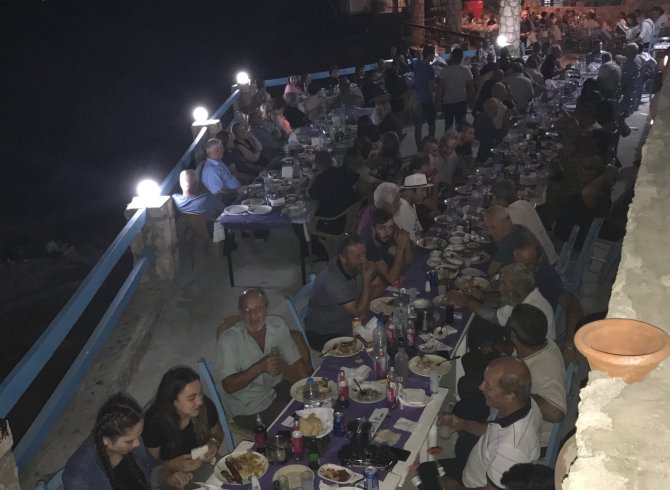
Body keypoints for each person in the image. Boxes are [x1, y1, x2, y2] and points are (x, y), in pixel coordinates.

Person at [429, 357, 542, 488]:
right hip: (481, 464)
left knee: (426, 474)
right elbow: (494, 431)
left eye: (488, 385)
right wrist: (463, 424)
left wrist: (454, 487)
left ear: (509, 395)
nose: (481, 387)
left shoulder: (511, 449)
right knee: (427, 470)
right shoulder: (524, 402)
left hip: (473, 485)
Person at [218, 288, 310, 429]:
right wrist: (259, 368)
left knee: (317, 409)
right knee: (298, 427)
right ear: (241, 314)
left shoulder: (278, 325)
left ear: (267, 308)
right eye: (247, 310)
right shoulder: (229, 340)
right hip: (248, 408)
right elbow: (228, 386)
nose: (253, 316)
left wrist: (309, 391)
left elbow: (296, 362)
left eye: (258, 309)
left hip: (274, 390)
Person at [63, 393, 192, 489]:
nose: (137, 444)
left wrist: (168, 477)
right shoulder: (79, 477)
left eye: (138, 436)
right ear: (106, 441)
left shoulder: (133, 441)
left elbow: (151, 468)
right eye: (129, 441)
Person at [447, 263, 556, 348]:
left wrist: (466, 301)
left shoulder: (530, 311)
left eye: (504, 284)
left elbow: (494, 317)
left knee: (475, 335)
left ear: (520, 287)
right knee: (476, 325)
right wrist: (482, 296)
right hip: (519, 344)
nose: (500, 288)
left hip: (525, 358)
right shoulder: (524, 296)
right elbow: (501, 311)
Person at [143, 367, 224, 472]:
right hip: (171, 474)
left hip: (203, 461)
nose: (199, 402)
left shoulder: (205, 406)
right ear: (173, 401)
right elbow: (152, 463)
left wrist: (214, 442)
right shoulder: (154, 423)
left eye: (200, 394)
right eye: (191, 398)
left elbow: (218, 432)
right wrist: (171, 465)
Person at [508, 304, 566, 448]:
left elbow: (556, 413)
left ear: (513, 336)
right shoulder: (544, 342)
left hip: (534, 438)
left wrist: (517, 391)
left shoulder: (543, 369)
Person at [305, 235, 377, 350]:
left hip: (347, 322)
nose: (363, 260)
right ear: (343, 258)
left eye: (364, 254)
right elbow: (360, 315)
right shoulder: (334, 280)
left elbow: (371, 292)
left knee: (384, 326)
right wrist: (367, 279)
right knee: (373, 347)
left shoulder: (352, 266)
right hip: (325, 334)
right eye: (358, 256)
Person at [490, 180, 558, 266]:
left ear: (501, 199)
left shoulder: (511, 214)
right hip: (550, 255)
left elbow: (500, 242)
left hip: (543, 264)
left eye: (492, 198)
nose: (491, 202)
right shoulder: (524, 203)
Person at [308, 150, 360, 260]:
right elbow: (355, 177)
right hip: (350, 214)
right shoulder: (342, 171)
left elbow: (310, 195)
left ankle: (318, 251)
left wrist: (314, 177)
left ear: (317, 165)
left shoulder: (320, 179)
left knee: (309, 218)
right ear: (331, 161)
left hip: (334, 221)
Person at [366, 208, 413, 289]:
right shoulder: (370, 248)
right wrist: (401, 247)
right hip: (382, 291)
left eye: (390, 227)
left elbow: (407, 262)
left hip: (397, 283)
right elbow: (391, 279)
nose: (387, 232)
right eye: (382, 228)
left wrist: (406, 243)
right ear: (373, 228)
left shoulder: (386, 239)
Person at [513, 240, 563, 310]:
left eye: (527, 265)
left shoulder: (547, 278)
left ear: (538, 260)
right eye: (518, 264)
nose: (521, 268)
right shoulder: (527, 274)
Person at [483, 206, 530, 275]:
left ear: (508, 223)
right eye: (487, 227)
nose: (489, 232)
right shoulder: (520, 228)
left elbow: (491, 271)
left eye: (494, 227)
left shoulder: (509, 242)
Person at [438, 48, 474, 130]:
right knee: (460, 125)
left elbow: (440, 88)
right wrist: (472, 101)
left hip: (448, 101)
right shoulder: (466, 70)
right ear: (461, 58)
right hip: (461, 100)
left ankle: (448, 138)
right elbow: (470, 88)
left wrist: (438, 101)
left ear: (452, 57)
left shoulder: (445, 71)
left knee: (448, 125)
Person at [413, 45, 438, 149]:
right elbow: (431, 87)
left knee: (418, 126)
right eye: (433, 54)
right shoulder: (429, 69)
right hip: (427, 99)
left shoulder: (416, 64)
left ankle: (419, 148)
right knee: (431, 124)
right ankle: (430, 146)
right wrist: (438, 86)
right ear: (430, 55)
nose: (434, 56)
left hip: (417, 99)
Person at [397, 173, 432, 241]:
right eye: (422, 190)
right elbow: (412, 240)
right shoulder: (402, 209)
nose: (425, 194)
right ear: (410, 191)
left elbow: (418, 231)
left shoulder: (411, 204)